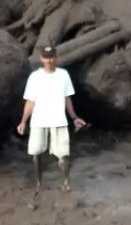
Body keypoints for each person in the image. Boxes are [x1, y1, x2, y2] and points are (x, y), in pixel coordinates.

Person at [17, 45, 87, 192]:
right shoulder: (34, 77)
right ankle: (38, 182)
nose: (49, 60)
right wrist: (23, 121)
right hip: (38, 119)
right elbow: (30, 102)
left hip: (59, 119)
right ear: (41, 58)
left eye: (51, 57)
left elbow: (67, 98)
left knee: (63, 153)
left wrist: (74, 117)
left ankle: (66, 183)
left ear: (55, 58)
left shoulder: (63, 75)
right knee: (36, 151)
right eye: (46, 57)